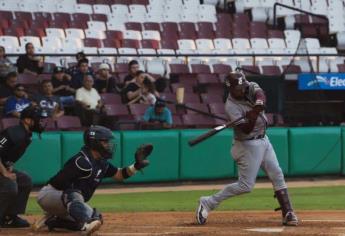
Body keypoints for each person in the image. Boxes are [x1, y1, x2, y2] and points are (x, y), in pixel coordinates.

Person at [195, 71, 298, 226]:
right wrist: (254, 115)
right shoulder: (231, 107)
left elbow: (260, 94)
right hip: (247, 145)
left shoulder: (248, 86)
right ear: (231, 89)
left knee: (277, 173)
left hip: (264, 139)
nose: (243, 89)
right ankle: (208, 202)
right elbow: (246, 129)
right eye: (239, 88)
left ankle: (288, 212)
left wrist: (258, 105)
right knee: (245, 186)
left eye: (243, 86)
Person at [33, 126, 153, 235]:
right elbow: (57, 183)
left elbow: (119, 175)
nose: (108, 145)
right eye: (105, 141)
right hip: (49, 195)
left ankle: (53, 220)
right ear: (94, 142)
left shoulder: (101, 163)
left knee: (96, 218)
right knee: (75, 196)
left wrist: (136, 166)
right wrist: (72, 201)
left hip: (68, 202)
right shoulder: (81, 161)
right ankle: (82, 223)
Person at [0, 106, 47, 228]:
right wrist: (4, 172)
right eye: (38, 119)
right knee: (10, 186)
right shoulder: (13, 133)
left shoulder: (27, 135)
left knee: (24, 180)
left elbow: (7, 154)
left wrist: (8, 165)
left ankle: (10, 217)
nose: (41, 122)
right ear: (27, 120)